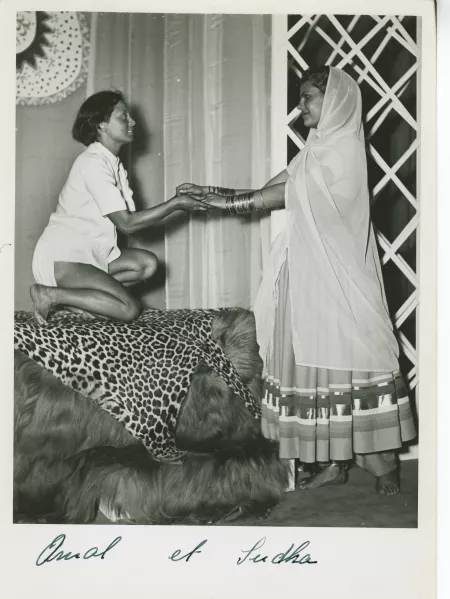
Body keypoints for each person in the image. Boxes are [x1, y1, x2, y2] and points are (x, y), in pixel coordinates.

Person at [176, 65, 417, 495]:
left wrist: (218, 204)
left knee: (347, 365)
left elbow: (282, 195)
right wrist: (218, 194)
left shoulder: (343, 150)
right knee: (308, 367)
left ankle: (385, 469)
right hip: (306, 276)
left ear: (336, 101)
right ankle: (332, 463)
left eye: (308, 97)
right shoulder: (316, 148)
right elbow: (281, 183)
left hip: (338, 283)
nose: (300, 105)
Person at [31, 90, 209, 325]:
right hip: (63, 257)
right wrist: (175, 204)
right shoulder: (93, 163)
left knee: (147, 264)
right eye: (123, 117)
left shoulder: (113, 164)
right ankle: (50, 294)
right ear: (102, 124)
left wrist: (175, 200)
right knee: (129, 309)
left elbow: (130, 222)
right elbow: (127, 223)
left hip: (90, 255)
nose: (132, 121)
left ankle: (79, 301)